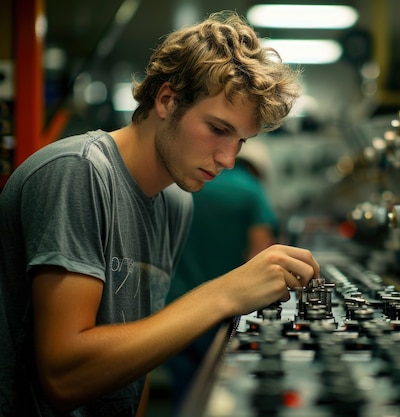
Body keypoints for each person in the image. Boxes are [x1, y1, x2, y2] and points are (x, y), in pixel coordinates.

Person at [0, 10, 320, 417]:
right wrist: (224, 294)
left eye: (240, 141)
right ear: (167, 99)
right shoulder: (78, 172)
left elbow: (138, 360)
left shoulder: (175, 200)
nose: (227, 159)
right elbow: (64, 377)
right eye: (218, 129)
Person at [164, 141, 279, 411]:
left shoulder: (183, 185)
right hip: (224, 313)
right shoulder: (251, 190)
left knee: (185, 393)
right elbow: (260, 255)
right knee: (223, 397)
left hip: (174, 309)